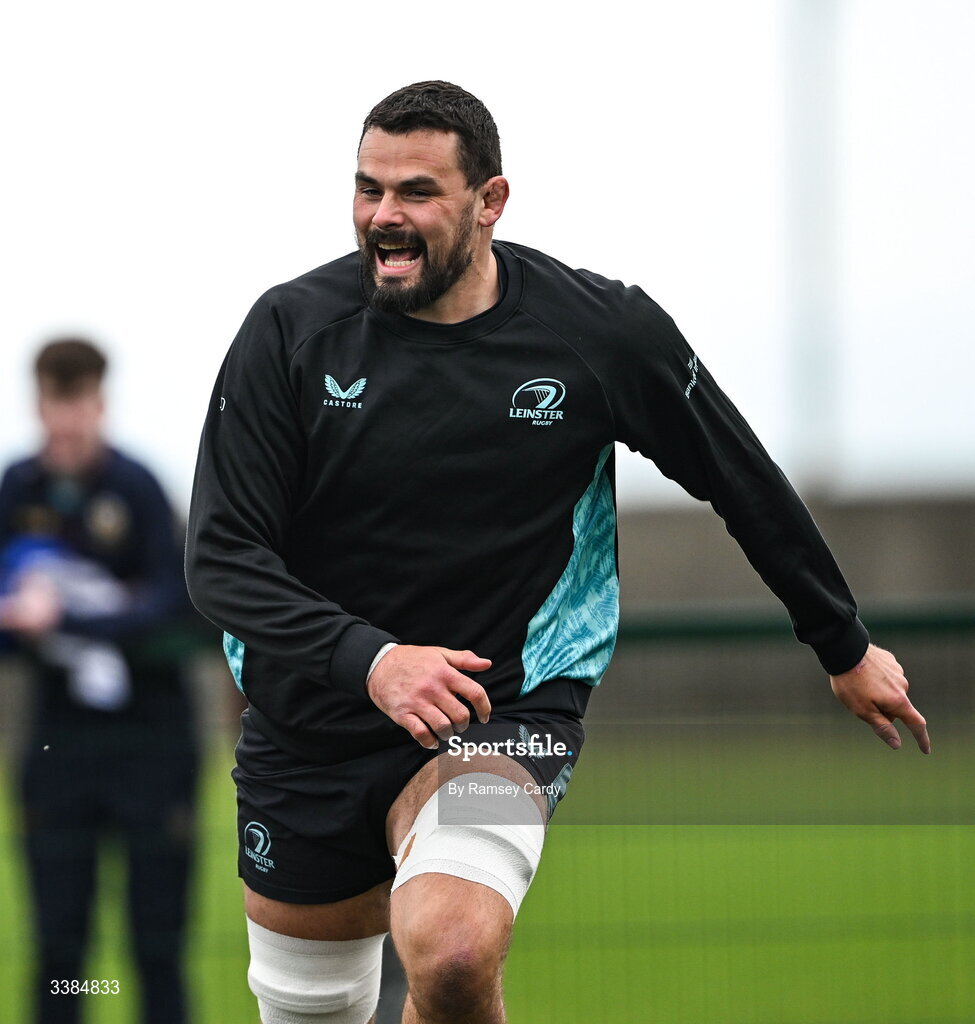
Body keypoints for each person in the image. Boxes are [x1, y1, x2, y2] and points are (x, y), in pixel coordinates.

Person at [184, 81, 930, 1024]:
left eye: (415, 192)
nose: (384, 217)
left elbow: (737, 476)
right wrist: (371, 661)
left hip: (509, 710)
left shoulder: (598, 332)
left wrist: (843, 643)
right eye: (367, 189)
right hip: (308, 727)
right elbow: (219, 557)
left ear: (490, 201)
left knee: (452, 954)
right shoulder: (289, 333)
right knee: (313, 1008)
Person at [0, 338, 198, 1024]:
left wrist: (74, 619)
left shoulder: (138, 488)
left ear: (100, 402)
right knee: (59, 946)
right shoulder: (16, 491)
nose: (69, 421)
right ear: (40, 403)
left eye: (80, 402)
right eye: (58, 402)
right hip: (57, 747)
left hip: (154, 744)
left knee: (158, 943)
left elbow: (177, 604)